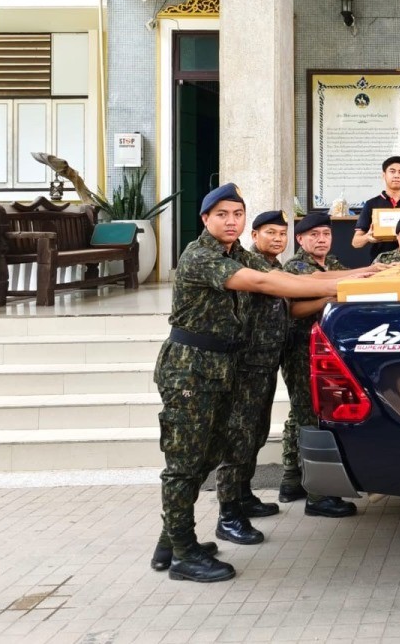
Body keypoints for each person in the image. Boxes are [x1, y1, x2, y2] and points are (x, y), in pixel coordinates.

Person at [153, 183, 348, 584]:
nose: (231, 221)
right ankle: (183, 554)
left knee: (208, 455)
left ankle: (172, 541)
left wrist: (362, 274)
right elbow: (268, 285)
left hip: (222, 367)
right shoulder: (201, 256)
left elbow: (283, 277)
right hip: (190, 368)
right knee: (185, 462)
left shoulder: (237, 254)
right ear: (205, 218)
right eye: (222, 214)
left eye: (237, 214)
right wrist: (344, 286)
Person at [281, 211, 380, 517]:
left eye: (325, 234)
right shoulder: (295, 267)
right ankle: (319, 496)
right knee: (311, 417)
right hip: (302, 351)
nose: (321, 240)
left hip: (327, 351)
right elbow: (293, 310)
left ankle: (292, 479)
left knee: (300, 414)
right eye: (314, 235)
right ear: (300, 239)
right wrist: (330, 297)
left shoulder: (333, 264)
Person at [210, 209, 287, 548]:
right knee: (237, 439)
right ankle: (228, 516)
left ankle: (243, 494)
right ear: (254, 236)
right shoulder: (245, 265)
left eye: (282, 233)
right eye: (270, 232)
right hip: (244, 366)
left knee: (255, 434)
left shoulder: (273, 266)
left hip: (265, 364)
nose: (278, 238)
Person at [352, 156, 400, 259]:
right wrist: (368, 237)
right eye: (392, 171)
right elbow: (355, 242)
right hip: (380, 262)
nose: (396, 175)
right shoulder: (371, 204)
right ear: (384, 175)